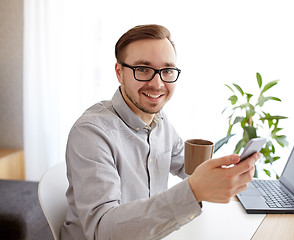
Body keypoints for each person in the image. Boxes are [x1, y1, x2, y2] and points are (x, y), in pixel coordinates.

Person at [60, 24, 260, 240]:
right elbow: (102, 230)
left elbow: (187, 167)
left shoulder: (159, 121)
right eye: (143, 69)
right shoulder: (91, 133)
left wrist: (227, 173)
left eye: (167, 71)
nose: (157, 83)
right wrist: (193, 192)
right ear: (119, 72)